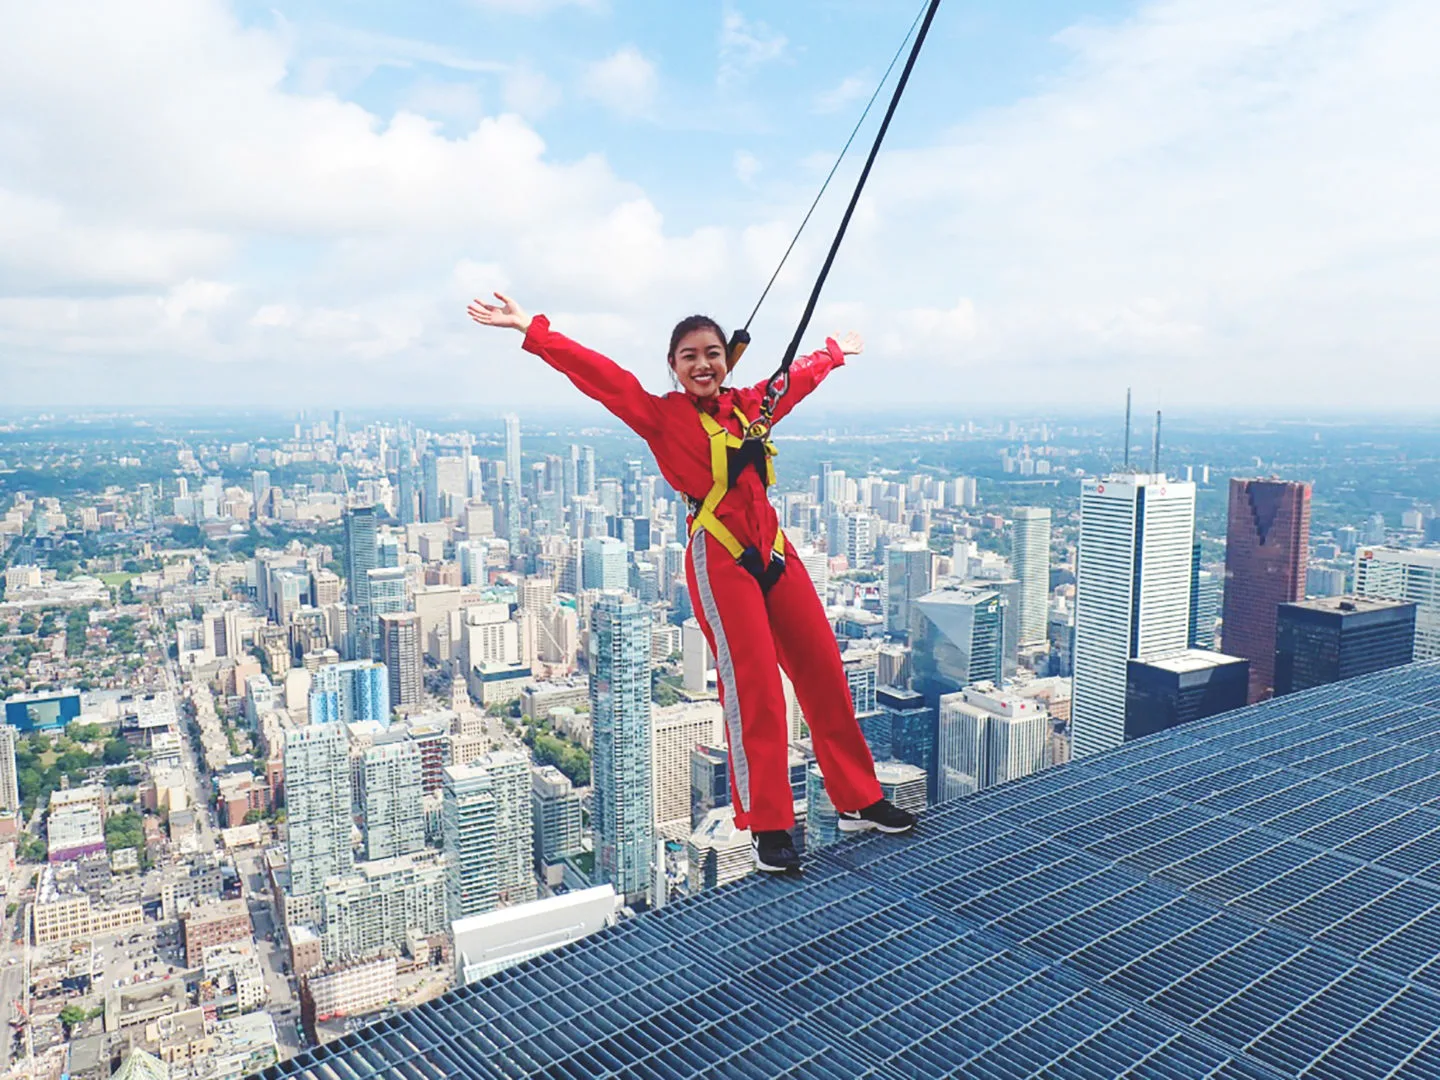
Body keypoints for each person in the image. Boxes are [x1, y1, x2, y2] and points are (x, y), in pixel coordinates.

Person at [468, 292, 918, 873]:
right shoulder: (662, 416)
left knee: (825, 670)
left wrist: (831, 355)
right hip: (721, 557)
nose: (702, 364)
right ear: (674, 368)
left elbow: (793, 381)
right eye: (689, 357)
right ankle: (770, 825)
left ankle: (860, 797)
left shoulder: (753, 406)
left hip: (774, 549)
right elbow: (601, 376)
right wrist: (534, 328)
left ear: (726, 360)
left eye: (711, 353)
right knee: (752, 686)